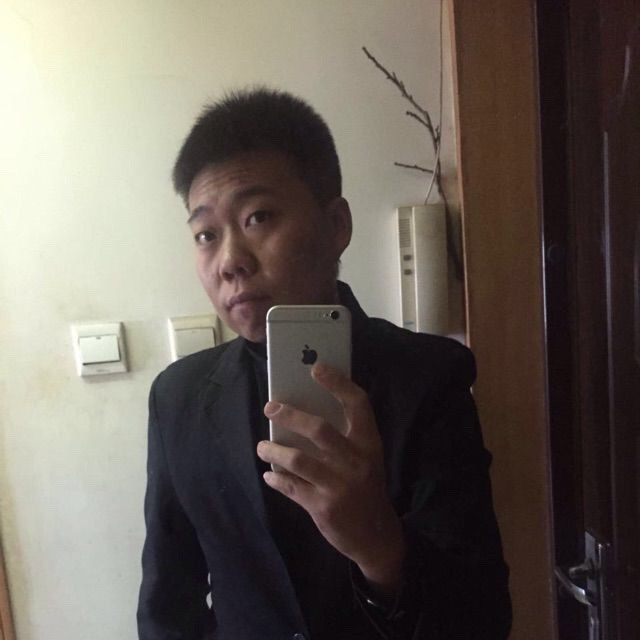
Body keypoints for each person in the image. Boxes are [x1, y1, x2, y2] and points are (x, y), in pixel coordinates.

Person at [137, 87, 511, 640]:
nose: (230, 261)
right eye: (206, 234)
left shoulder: (429, 379)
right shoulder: (178, 397)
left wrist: (380, 546)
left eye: (258, 216)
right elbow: (168, 601)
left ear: (336, 225)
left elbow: (483, 619)